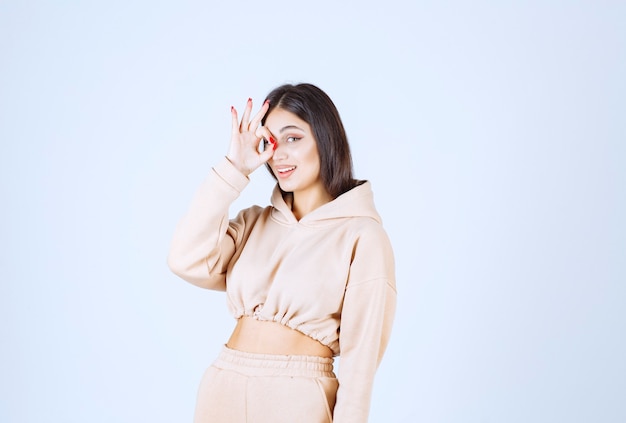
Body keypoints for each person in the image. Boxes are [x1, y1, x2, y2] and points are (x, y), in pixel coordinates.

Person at [167, 83, 396, 423]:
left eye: (293, 138)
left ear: (325, 138)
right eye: (270, 141)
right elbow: (186, 259)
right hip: (222, 388)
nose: (278, 154)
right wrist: (234, 167)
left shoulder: (363, 236)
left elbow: (360, 363)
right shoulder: (253, 222)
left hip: (297, 401)